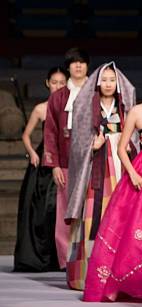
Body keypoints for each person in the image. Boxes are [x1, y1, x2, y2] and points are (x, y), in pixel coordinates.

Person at [83, 65, 142, 302]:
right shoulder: (137, 111)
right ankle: (132, 282)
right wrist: (132, 172)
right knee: (137, 224)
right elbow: (121, 147)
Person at [64, 62, 137, 290]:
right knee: (91, 217)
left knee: (119, 216)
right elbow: (77, 142)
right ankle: (85, 276)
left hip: (119, 164)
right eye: (103, 79)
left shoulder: (124, 107)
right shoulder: (86, 105)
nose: (107, 84)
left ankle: (116, 274)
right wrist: (91, 146)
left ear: (118, 84)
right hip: (95, 168)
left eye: (112, 79)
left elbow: (134, 138)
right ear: (97, 83)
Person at [13, 66, 68, 271]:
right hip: (43, 161)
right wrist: (32, 152)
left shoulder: (70, 107)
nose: (58, 86)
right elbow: (26, 135)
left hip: (64, 159)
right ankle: (38, 257)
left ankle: (59, 258)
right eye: (54, 82)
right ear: (47, 83)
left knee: (58, 209)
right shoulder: (40, 108)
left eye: (62, 83)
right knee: (39, 209)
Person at [43, 48, 89, 270]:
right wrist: (54, 165)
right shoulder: (58, 97)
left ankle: (90, 260)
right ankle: (67, 262)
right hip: (66, 161)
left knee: (91, 211)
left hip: (93, 161)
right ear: (68, 67)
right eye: (74, 63)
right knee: (65, 212)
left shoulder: (97, 92)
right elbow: (50, 131)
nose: (78, 66)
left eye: (82, 62)